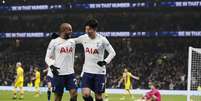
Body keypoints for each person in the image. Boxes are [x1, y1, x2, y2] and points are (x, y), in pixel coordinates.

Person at [75, 19, 116, 101]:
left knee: (98, 97)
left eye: (88, 29)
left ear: (94, 29)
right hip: (87, 71)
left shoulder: (102, 40)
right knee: (85, 94)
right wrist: (60, 37)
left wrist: (105, 61)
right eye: (86, 29)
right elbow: (72, 41)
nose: (86, 31)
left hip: (99, 72)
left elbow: (112, 52)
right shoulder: (84, 38)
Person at [45, 23, 77, 101]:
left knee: (74, 94)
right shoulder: (54, 42)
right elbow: (47, 57)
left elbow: (84, 38)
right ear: (63, 30)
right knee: (58, 97)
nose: (71, 32)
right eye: (69, 30)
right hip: (58, 73)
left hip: (70, 73)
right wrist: (52, 66)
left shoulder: (72, 41)